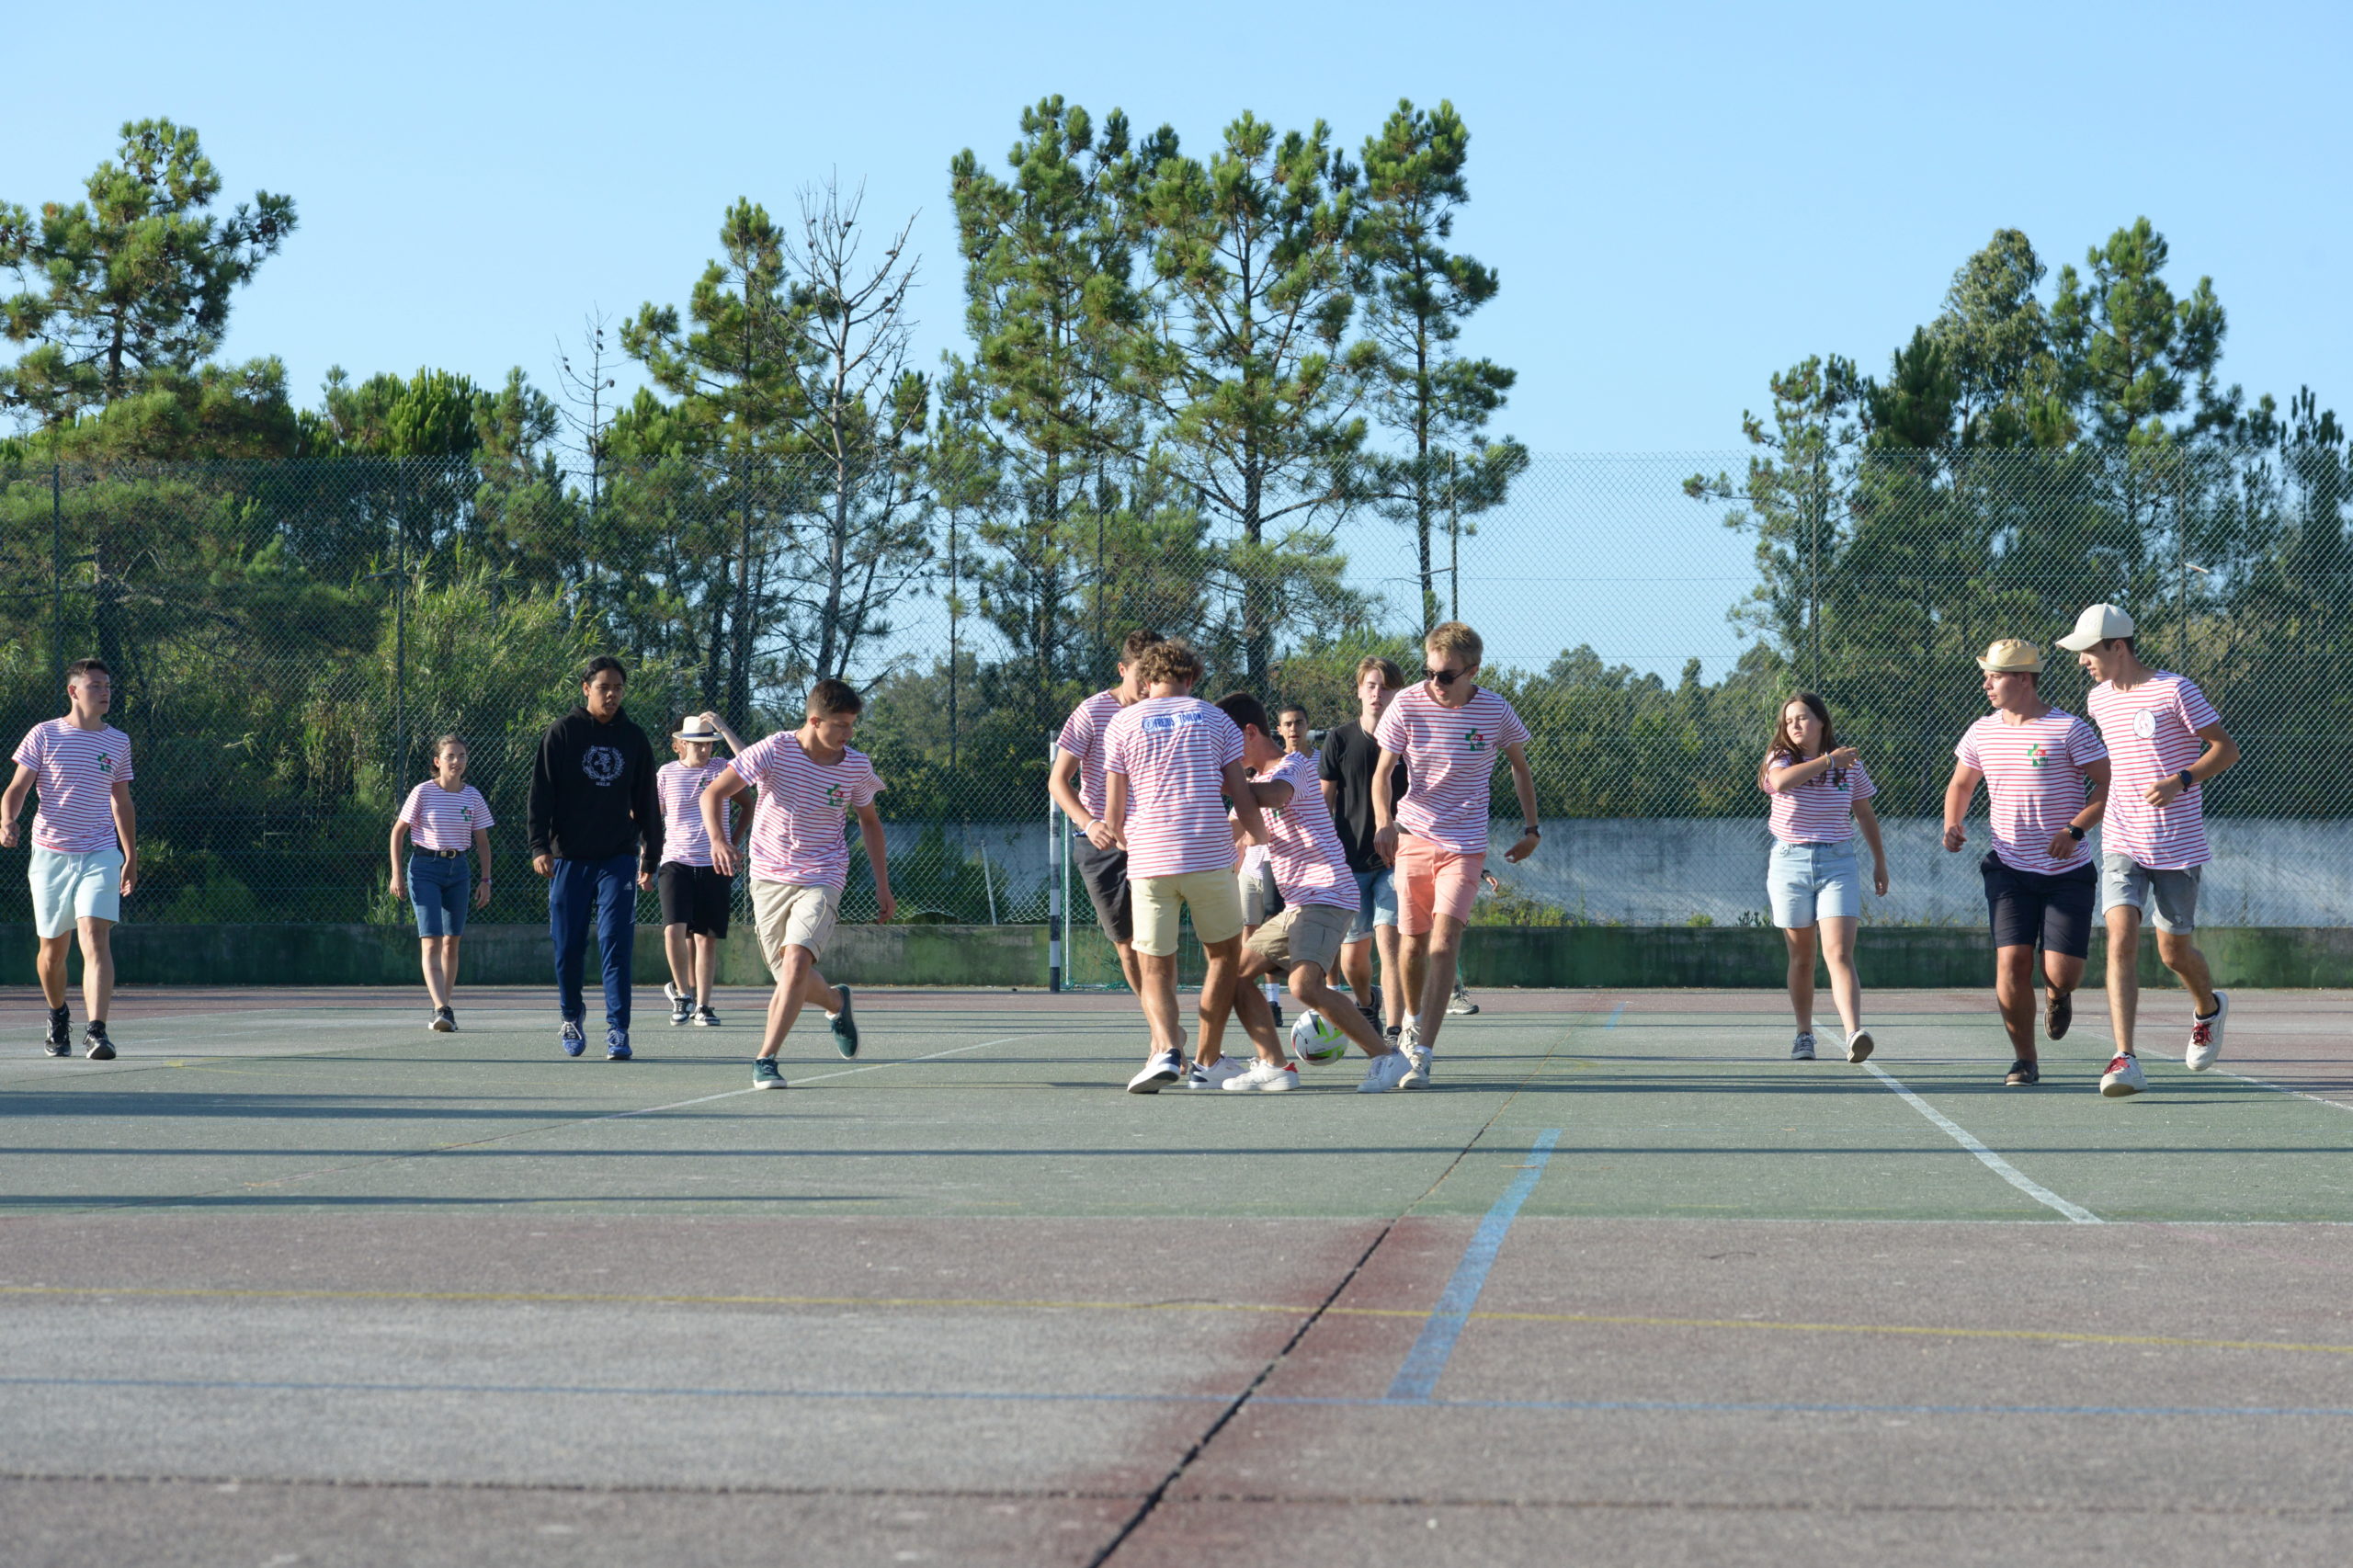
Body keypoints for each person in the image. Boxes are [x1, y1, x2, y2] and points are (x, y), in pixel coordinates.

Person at [2058, 603, 2241, 1097]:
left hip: (2178, 845)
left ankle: (2208, 1009)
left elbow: (2226, 749)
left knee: (2172, 952)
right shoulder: (2098, 700)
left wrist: (2182, 780)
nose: (2082, 661)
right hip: (2122, 838)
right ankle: (2125, 1057)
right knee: (2120, 937)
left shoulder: (2175, 690)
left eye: (2089, 651)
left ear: (2118, 647)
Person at [1371, 622, 1540, 1088]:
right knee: (1411, 944)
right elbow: (1383, 773)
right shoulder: (1407, 703)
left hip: (1464, 845)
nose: (1435, 683)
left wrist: (1532, 830)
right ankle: (1410, 1022)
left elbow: (1519, 767)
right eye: (1429, 673)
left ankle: (1423, 1053)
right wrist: (1384, 822)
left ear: (1473, 671)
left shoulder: (1495, 710)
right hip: (1413, 837)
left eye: (1446, 676)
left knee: (1443, 944)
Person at [704, 679, 894, 1090]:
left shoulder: (856, 765)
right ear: (815, 721)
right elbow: (714, 793)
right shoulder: (775, 749)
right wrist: (718, 839)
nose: (848, 733)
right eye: (841, 725)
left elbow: (870, 822)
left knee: (795, 963)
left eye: (852, 724)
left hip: (824, 874)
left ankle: (765, 1058)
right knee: (789, 977)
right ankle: (836, 1002)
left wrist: (883, 885)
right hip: (769, 876)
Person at [1215, 691, 1409, 1093]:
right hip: (1298, 904)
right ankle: (1274, 1065)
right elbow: (1226, 834)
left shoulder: (1296, 765)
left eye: (1225, 744)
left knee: (1304, 986)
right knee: (1233, 976)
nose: (1222, 756)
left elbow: (1276, 796)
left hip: (1327, 892)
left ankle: (1387, 1057)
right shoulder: (1249, 784)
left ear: (1249, 733)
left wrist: (1224, 783)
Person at [1102, 638, 1269, 1093]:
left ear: (1147, 678)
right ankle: (1207, 1060)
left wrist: (1129, 840)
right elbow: (1240, 793)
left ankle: (1165, 1051)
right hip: (1209, 856)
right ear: (1192, 678)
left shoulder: (1122, 722)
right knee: (1224, 957)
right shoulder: (1215, 719)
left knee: (1154, 966)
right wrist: (1261, 836)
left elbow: (1113, 815)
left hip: (1150, 860)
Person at [1941, 641, 2111, 1086]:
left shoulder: (2068, 729)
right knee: (2012, 961)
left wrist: (2074, 830)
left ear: (2023, 679)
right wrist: (1952, 823)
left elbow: (2107, 784)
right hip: (2008, 867)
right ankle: (2025, 1060)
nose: (1986, 684)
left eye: (1995, 676)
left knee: (2062, 973)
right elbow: (1961, 784)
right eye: (1986, 675)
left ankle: (2058, 993)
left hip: (2067, 872)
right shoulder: (1981, 731)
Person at [528, 655, 662, 1061]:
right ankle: (571, 1015)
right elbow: (541, 793)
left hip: (617, 859)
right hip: (569, 858)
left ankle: (618, 1029)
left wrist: (650, 858)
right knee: (568, 945)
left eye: (618, 688)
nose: (612, 695)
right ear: (586, 689)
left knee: (615, 943)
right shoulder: (562, 732)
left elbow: (647, 802)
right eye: (604, 687)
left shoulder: (633, 738)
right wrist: (539, 846)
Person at [3, 658, 136, 1061]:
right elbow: (17, 788)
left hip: (100, 852)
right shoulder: (44, 734)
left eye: (107, 685)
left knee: (95, 937)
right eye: (95, 685)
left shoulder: (118, 741)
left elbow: (121, 801)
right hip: (51, 855)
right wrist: (7, 820)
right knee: (52, 953)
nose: (104, 692)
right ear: (73, 691)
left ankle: (97, 1032)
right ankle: (58, 1013)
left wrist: (130, 855)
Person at [1760, 692, 1890, 1063]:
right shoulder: (1781, 757)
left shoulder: (1849, 764)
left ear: (1821, 721)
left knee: (1839, 952)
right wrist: (1828, 760)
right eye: (1789, 721)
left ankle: (1854, 1034)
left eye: (1802, 718)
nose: (1795, 725)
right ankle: (1804, 1034)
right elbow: (1781, 783)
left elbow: (1864, 813)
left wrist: (1880, 862)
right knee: (1802, 956)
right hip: (1790, 863)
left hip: (1838, 863)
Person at [1050, 631, 1162, 1004]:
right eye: (1141, 676)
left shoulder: (1164, 711)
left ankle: (1167, 1024)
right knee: (1127, 945)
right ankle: (1159, 1024)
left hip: (1152, 841)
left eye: (1154, 676)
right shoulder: (1092, 711)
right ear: (1122, 669)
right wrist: (1090, 823)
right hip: (1101, 845)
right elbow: (1058, 781)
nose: (1147, 686)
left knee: (1157, 942)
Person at [1321, 656, 1407, 1041]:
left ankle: (1394, 1029)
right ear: (1359, 690)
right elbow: (1324, 803)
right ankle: (1367, 1001)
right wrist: (1321, 855)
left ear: (1397, 693)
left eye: (1386, 687)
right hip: (1349, 862)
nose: (1377, 693)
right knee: (1354, 960)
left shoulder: (1411, 740)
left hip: (1396, 860)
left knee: (1390, 944)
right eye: (1371, 685)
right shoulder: (1339, 739)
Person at [389, 734, 494, 1033]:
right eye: (450, 756)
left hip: (458, 869)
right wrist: (397, 874)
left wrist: (486, 880)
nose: (457, 761)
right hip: (425, 868)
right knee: (432, 939)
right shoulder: (423, 792)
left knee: (452, 941)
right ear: (438, 761)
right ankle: (441, 1008)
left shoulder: (472, 796)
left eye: (462, 756)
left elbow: (482, 842)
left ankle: (444, 1009)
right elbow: (398, 832)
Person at [657, 711, 749, 1028]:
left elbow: (748, 789)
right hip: (675, 860)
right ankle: (682, 994)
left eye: (709, 743)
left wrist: (731, 842)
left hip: (714, 864)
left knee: (706, 937)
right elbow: (652, 818)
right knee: (674, 928)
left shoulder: (721, 768)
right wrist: (646, 855)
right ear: (680, 744)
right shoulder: (666, 773)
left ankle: (704, 1005)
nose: (704, 748)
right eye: (697, 743)